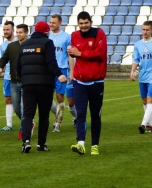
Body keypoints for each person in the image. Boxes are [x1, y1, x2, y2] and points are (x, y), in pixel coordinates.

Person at [17, 21, 66, 153]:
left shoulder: (24, 44)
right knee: (43, 115)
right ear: (46, 32)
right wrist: (59, 74)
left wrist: (25, 79)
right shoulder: (47, 43)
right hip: (45, 84)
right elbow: (51, 62)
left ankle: (26, 141)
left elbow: (18, 66)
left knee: (27, 114)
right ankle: (41, 144)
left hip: (28, 84)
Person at [68, 11, 107, 156]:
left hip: (96, 81)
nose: (83, 26)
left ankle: (95, 145)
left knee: (95, 114)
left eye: (86, 23)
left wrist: (80, 53)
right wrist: (72, 55)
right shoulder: (74, 35)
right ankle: (81, 143)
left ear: (91, 22)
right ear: (78, 24)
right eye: (81, 23)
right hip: (80, 81)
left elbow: (99, 53)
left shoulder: (99, 33)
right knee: (81, 113)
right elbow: (73, 54)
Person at [0, 24, 33, 140]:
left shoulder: (31, 45)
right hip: (14, 81)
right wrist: (0, 67)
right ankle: (29, 122)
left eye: (20, 32)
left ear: (26, 33)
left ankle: (23, 130)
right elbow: (4, 58)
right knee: (16, 107)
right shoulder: (11, 46)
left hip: (27, 81)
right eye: (17, 32)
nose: (18, 34)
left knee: (23, 106)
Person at [49, 14, 77, 132]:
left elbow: (70, 55)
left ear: (59, 23)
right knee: (46, 97)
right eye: (50, 22)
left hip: (62, 70)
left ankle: (58, 123)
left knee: (60, 96)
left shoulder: (66, 37)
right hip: (48, 70)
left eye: (53, 23)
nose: (51, 24)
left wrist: (71, 72)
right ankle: (58, 115)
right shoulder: (47, 36)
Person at [0, 21, 15, 131]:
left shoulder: (19, 42)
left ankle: (28, 122)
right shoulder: (3, 46)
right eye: (4, 30)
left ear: (13, 30)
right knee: (8, 99)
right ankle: (9, 125)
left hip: (18, 77)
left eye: (8, 29)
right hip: (7, 77)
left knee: (20, 101)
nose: (5, 32)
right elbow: (2, 62)